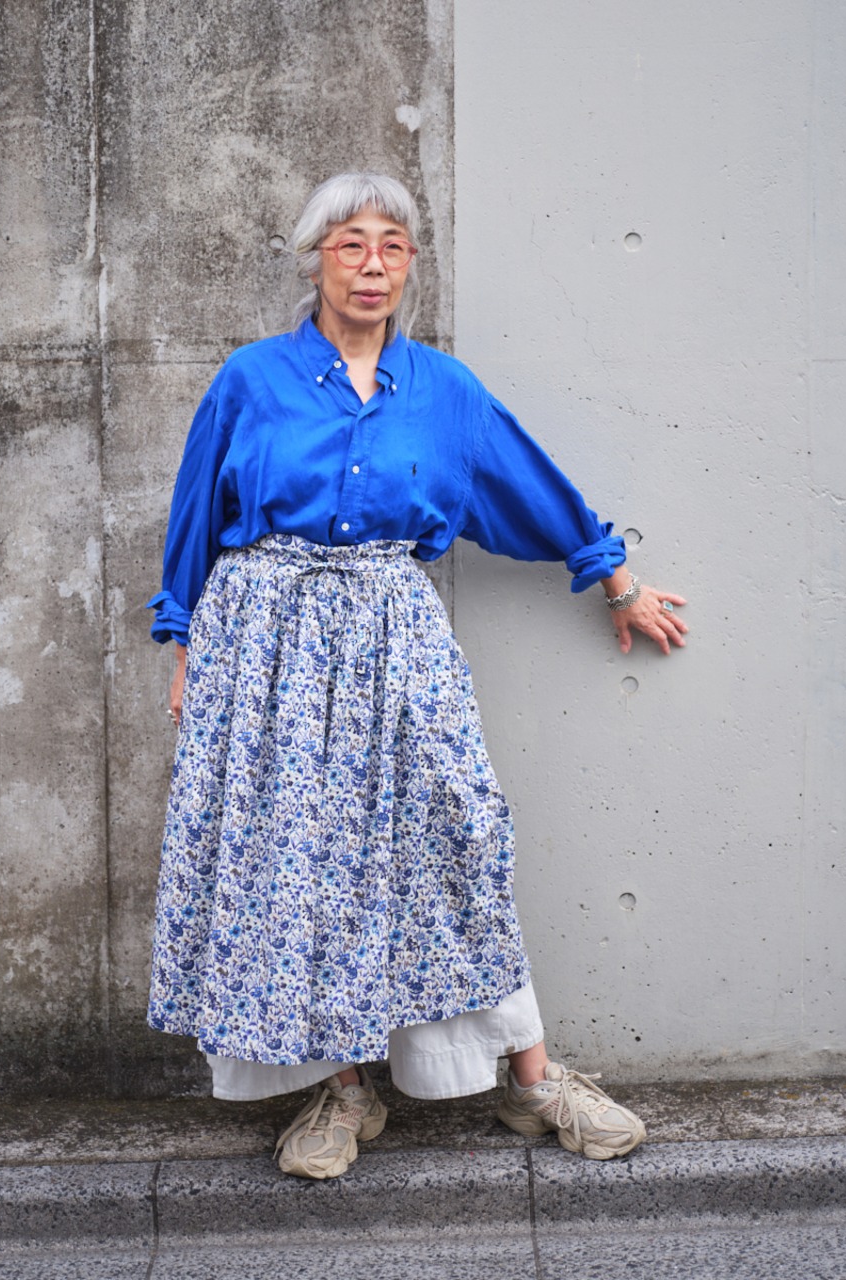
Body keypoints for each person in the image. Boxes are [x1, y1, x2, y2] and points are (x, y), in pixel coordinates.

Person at [146, 172, 688, 1180]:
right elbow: (192, 518)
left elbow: (527, 484)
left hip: (396, 635)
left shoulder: (443, 390)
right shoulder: (251, 380)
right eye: (350, 244)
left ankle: (530, 1079)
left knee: (457, 832)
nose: (372, 266)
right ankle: (345, 1090)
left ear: (409, 267)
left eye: (391, 247)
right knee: (305, 856)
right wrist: (186, 647)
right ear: (315, 260)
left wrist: (615, 578)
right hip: (266, 644)